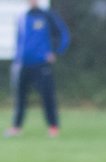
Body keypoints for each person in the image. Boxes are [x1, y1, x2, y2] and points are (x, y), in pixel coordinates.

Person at [5, 0, 70, 138]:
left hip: (41, 63)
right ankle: (16, 127)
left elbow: (63, 34)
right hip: (23, 64)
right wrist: (17, 59)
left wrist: (55, 51)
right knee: (20, 98)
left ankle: (53, 127)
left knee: (47, 96)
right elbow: (20, 40)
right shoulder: (23, 17)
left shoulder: (47, 16)